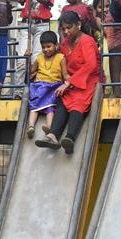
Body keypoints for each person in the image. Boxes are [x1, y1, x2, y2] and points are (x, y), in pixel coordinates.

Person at [34, 11, 99, 155]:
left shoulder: (87, 41)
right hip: (71, 80)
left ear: (78, 25)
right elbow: (53, 54)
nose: (66, 31)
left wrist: (69, 83)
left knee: (78, 102)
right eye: (63, 29)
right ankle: (52, 136)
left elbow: (91, 66)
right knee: (62, 97)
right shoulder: (65, 43)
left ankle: (70, 138)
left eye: (69, 28)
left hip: (88, 79)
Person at [24, 31, 66, 139]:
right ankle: (31, 126)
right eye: (43, 47)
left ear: (56, 45)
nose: (46, 49)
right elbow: (30, 71)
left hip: (53, 86)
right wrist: (27, 59)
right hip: (39, 86)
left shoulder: (61, 58)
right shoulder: (39, 57)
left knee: (51, 107)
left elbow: (65, 75)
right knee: (33, 106)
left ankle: (49, 126)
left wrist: (68, 83)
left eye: (49, 46)